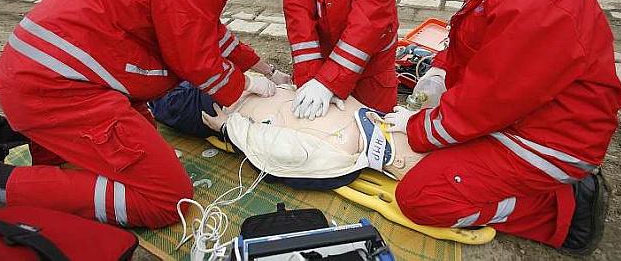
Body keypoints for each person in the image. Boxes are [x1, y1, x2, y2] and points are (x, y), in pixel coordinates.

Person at [0, 0, 283, 229]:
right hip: (58, 84)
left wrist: (264, 68)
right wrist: (248, 84)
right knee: (167, 198)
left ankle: (4, 133)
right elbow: (196, 59)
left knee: (136, 142)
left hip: (42, 70)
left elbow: (211, 34)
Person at [380, 0, 621, 256]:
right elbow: (473, 42)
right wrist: (441, 70)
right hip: (531, 120)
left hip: (552, 139)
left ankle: (560, 210)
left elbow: (486, 102)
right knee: (435, 161)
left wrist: (419, 130)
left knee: (421, 197)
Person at [151, 84, 423, 188]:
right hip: (256, 84)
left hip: (226, 108)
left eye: (415, 143)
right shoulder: (372, 116)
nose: (413, 130)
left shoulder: (344, 157)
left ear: (398, 162)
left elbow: (278, 150)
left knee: (167, 97)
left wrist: (227, 127)